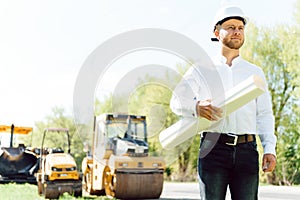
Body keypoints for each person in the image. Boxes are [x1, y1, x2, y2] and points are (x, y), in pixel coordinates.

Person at [170, 5, 277, 200]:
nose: (237, 31)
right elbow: (176, 100)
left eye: (240, 28)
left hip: (247, 151)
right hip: (212, 150)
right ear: (217, 32)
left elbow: (264, 115)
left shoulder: (254, 72)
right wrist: (195, 107)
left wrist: (269, 149)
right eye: (231, 27)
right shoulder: (202, 69)